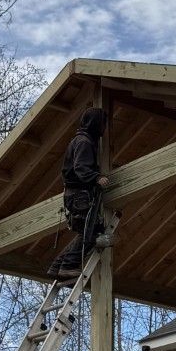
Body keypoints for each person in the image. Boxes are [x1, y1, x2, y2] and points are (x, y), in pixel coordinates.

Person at [51, 107, 108, 281]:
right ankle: (68, 266)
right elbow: (81, 168)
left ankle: (57, 265)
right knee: (91, 231)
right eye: (102, 124)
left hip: (75, 194)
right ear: (95, 124)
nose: (104, 128)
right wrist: (96, 178)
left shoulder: (81, 140)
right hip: (79, 195)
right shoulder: (84, 142)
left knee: (88, 231)